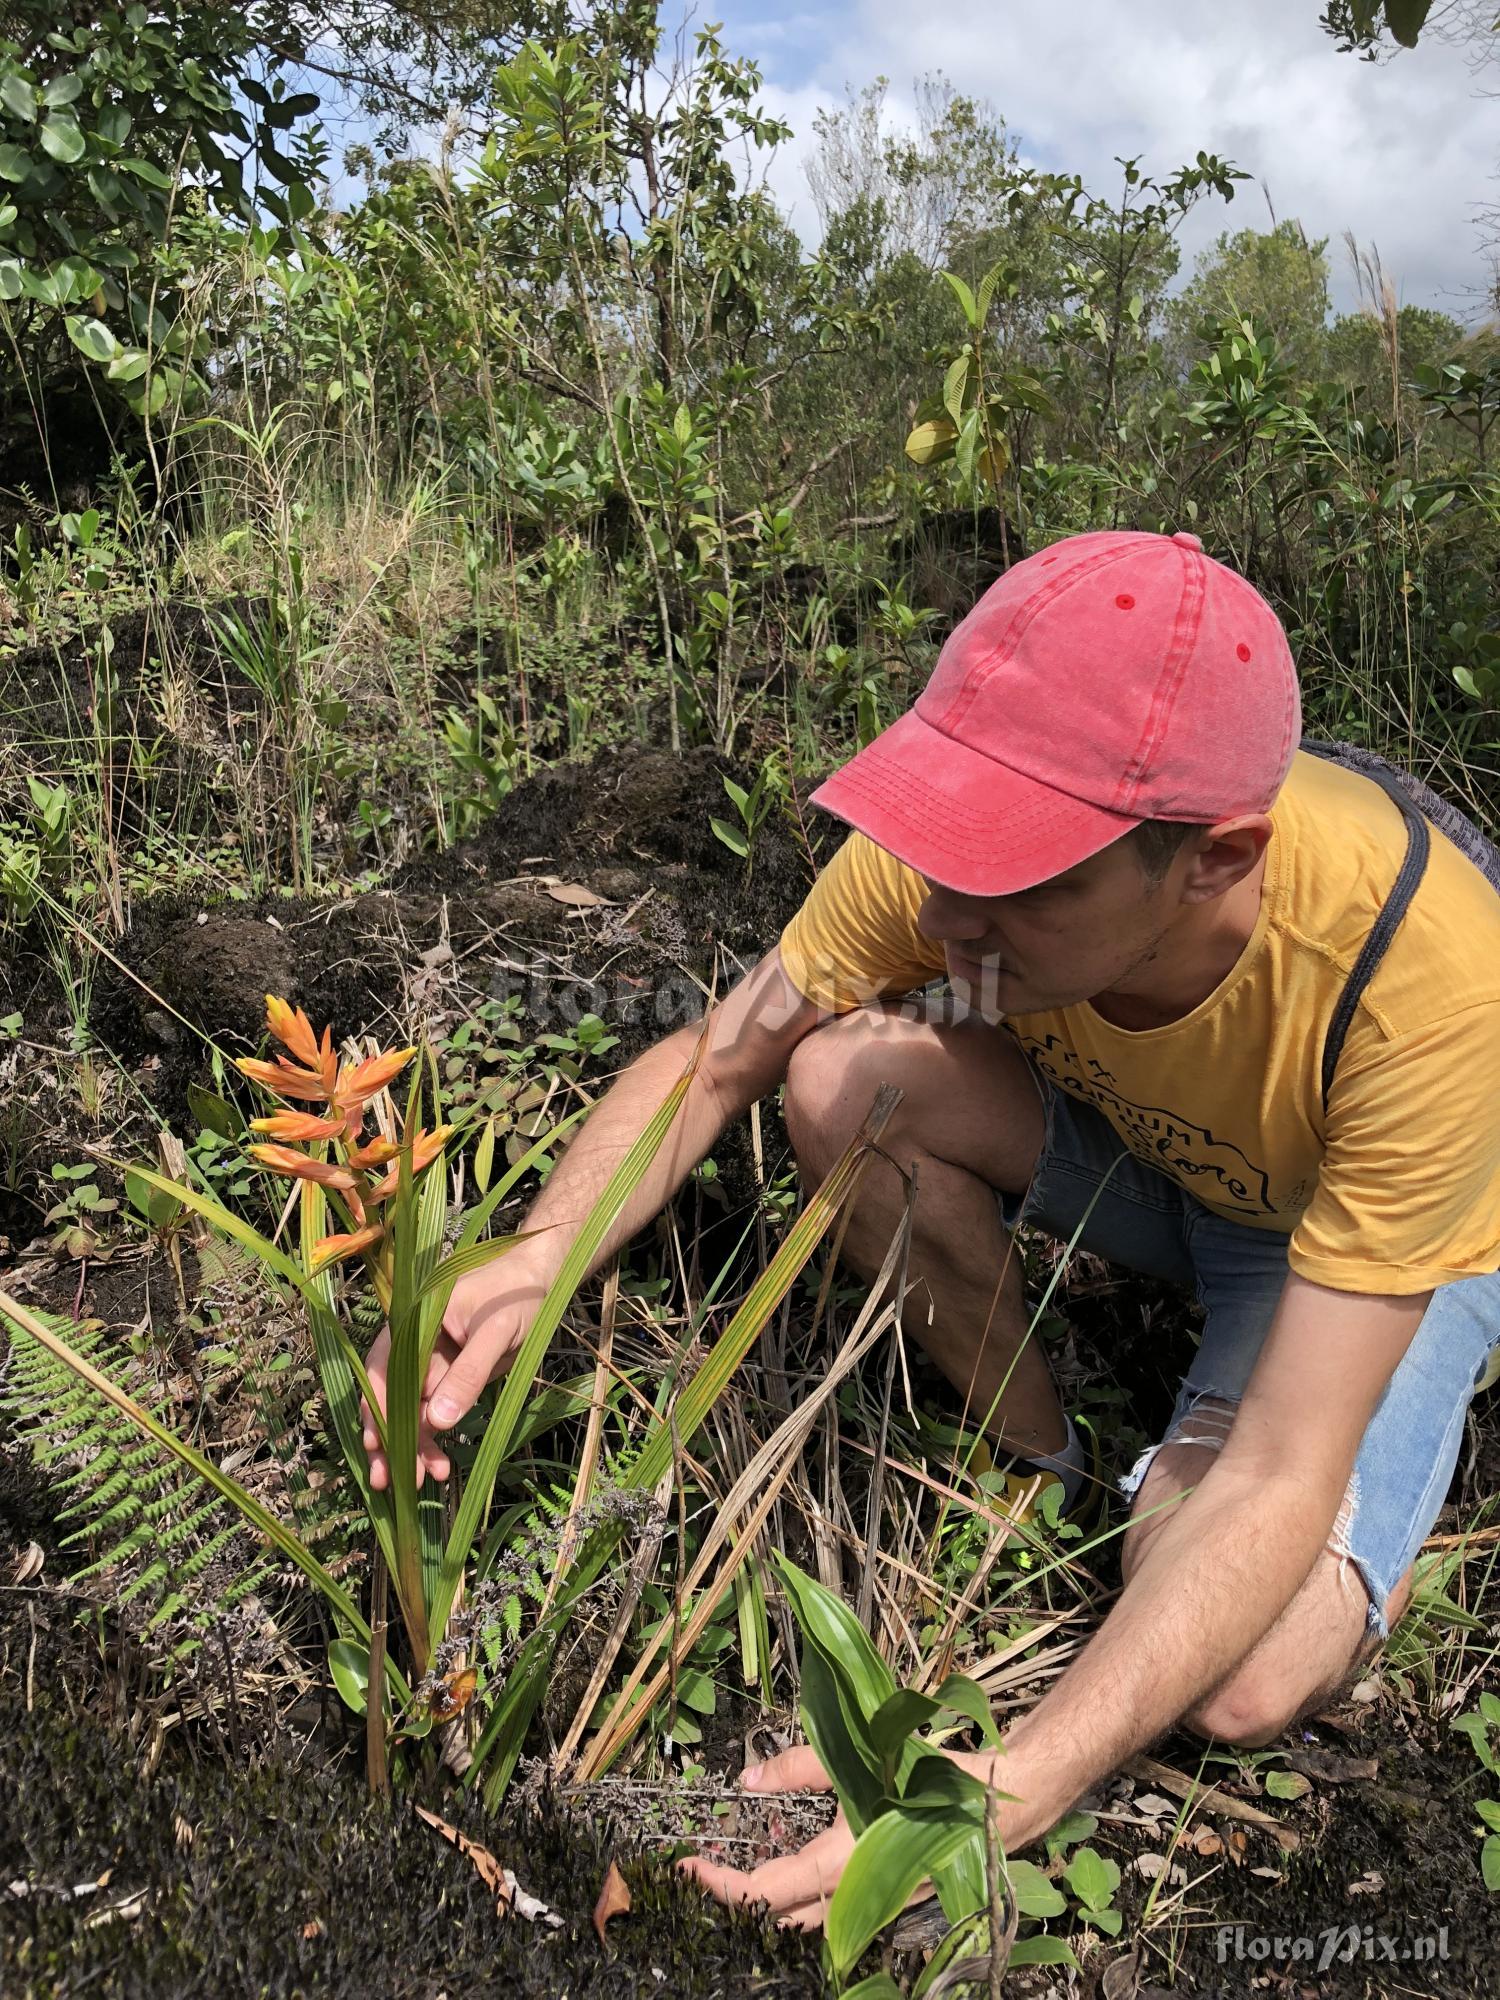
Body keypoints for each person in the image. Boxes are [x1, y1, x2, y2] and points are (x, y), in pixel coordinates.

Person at [363, 529, 1500, 1924]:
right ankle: (1045, 1469)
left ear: (1216, 859)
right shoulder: (956, 883)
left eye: (1025, 877)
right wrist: (542, 1251)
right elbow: (720, 1061)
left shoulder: (1428, 989)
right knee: (839, 1081)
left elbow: (1278, 1468)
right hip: (1166, 1155)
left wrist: (1019, 1780)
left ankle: (1370, 1482)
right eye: (949, 843)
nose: (948, 916)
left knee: (1246, 1677)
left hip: (1355, 1227)